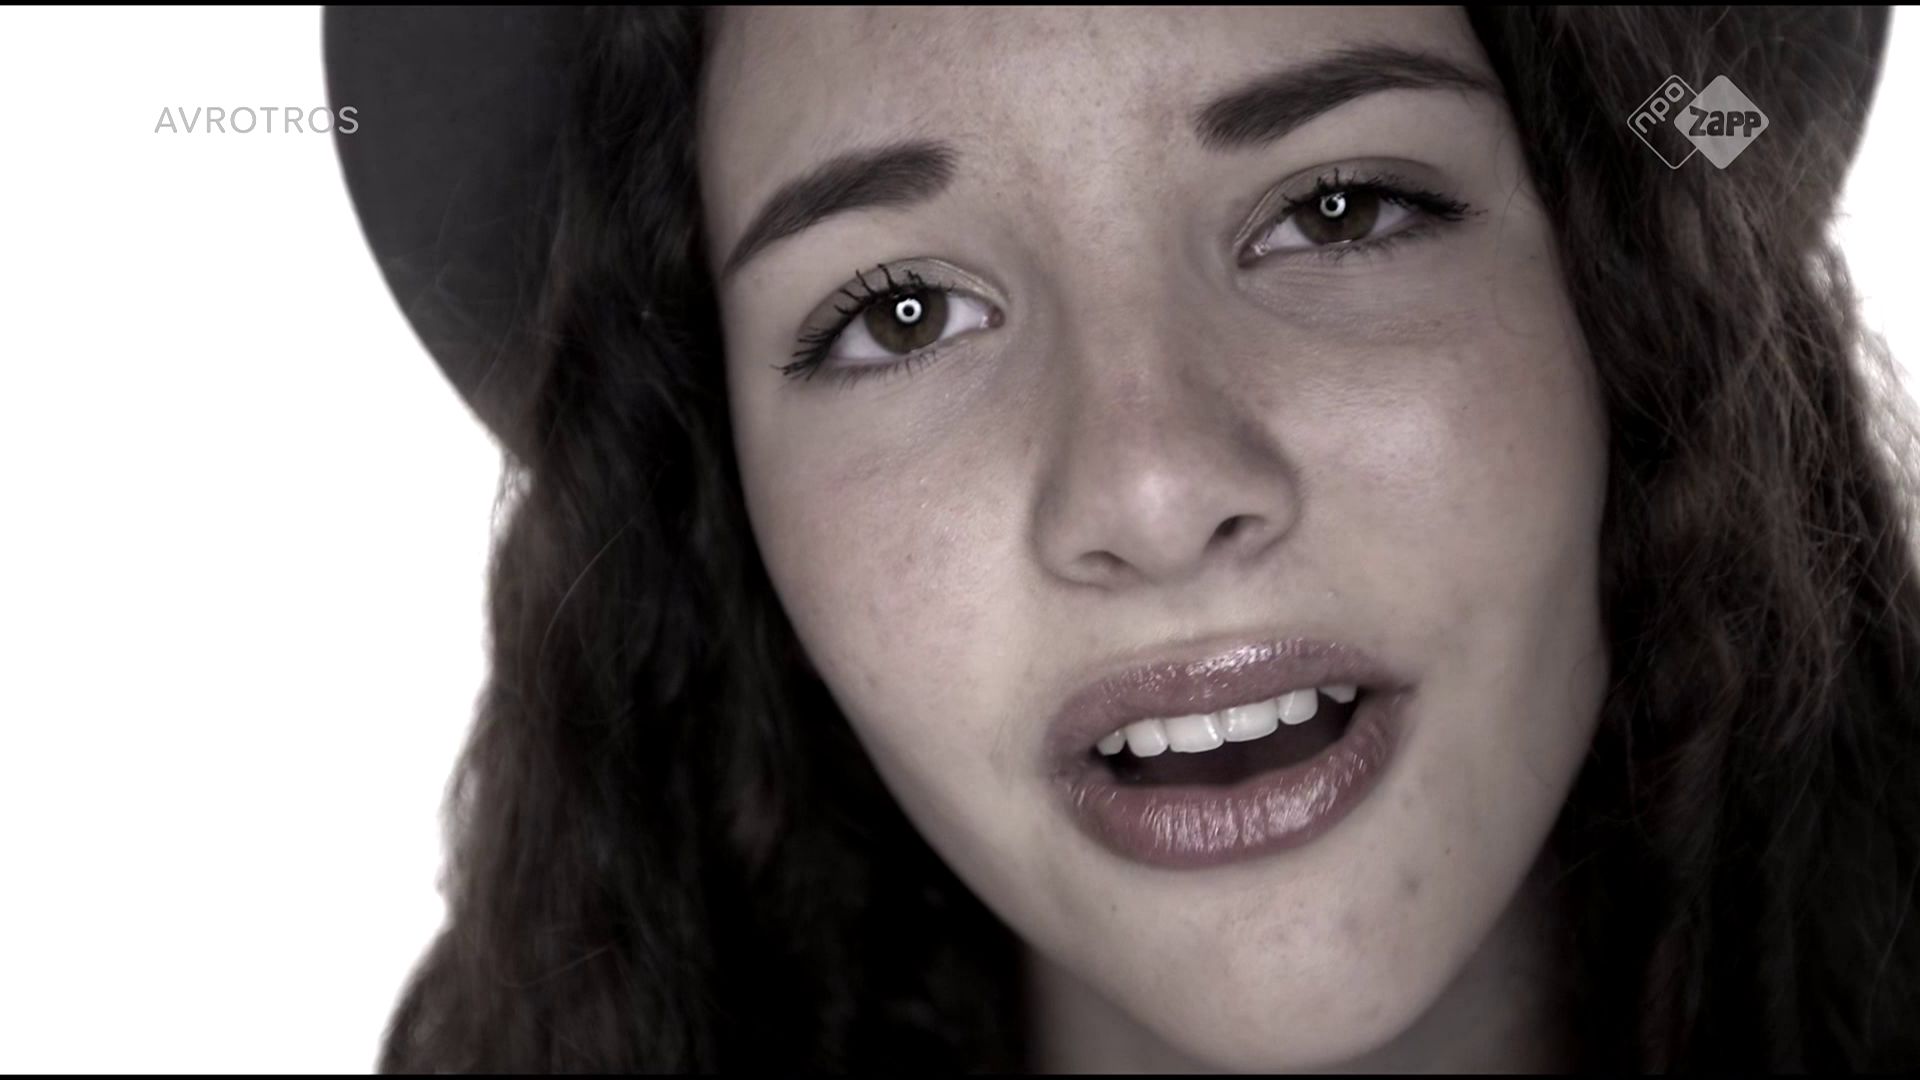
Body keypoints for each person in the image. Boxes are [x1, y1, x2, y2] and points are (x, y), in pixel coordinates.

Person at [327, 6, 1920, 1072]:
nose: (1153, 490)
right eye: (902, 313)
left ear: (1637, 304)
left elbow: (1701, 129)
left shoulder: (1679, 138)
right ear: (718, 497)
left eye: (1339, 209)